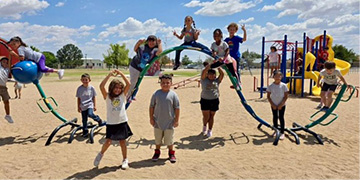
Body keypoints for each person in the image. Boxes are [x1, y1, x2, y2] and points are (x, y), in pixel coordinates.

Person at [94, 69, 132, 169]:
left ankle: (125, 159)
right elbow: (101, 86)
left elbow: (128, 84)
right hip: (111, 123)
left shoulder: (122, 96)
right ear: (112, 88)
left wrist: (121, 74)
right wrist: (109, 75)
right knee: (108, 142)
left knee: (122, 142)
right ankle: (100, 154)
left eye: (120, 88)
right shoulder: (107, 97)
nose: (118, 90)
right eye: (116, 88)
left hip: (122, 122)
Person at [150, 74, 180, 163]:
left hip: (169, 122)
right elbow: (151, 106)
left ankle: (171, 153)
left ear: (171, 83)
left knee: (169, 140)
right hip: (158, 121)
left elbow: (177, 108)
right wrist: (151, 118)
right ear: (160, 83)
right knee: (158, 139)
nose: (165, 84)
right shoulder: (156, 94)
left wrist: (176, 120)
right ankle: (157, 152)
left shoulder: (173, 95)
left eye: (167, 83)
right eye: (163, 83)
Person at [128, 35, 162, 102]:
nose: (151, 43)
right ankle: (128, 96)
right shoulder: (143, 47)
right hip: (134, 66)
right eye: (149, 41)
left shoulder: (155, 50)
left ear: (155, 42)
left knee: (137, 83)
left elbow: (160, 52)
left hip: (141, 68)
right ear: (147, 41)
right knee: (133, 82)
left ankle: (132, 95)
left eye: (153, 41)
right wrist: (138, 42)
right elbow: (135, 49)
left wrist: (160, 43)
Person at [200, 65, 224, 137]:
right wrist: (209, 66)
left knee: (212, 116)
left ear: (215, 75)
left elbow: (222, 74)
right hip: (205, 100)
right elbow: (204, 72)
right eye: (209, 74)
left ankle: (210, 130)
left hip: (214, 100)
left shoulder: (217, 81)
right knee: (206, 116)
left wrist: (218, 66)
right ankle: (204, 126)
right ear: (207, 75)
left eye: (213, 75)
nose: (211, 76)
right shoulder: (204, 80)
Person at [266, 70, 289, 140]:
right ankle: (275, 130)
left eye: (279, 76)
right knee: (275, 117)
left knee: (281, 117)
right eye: (276, 76)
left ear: (281, 77)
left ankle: (282, 132)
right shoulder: (271, 86)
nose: (278, 77)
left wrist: (281, 104)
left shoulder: (284, 85)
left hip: (281, 105)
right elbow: (268, 96)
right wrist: (272, 104)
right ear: (273, 77)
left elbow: (286, 96)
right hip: (274, 104)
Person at [0, 56, 14, 123]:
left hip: (3, 87)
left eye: (6, 62)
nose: (5, 63)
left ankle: (8, 115)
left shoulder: (7, 69)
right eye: (3, 62)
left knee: (6, 101)